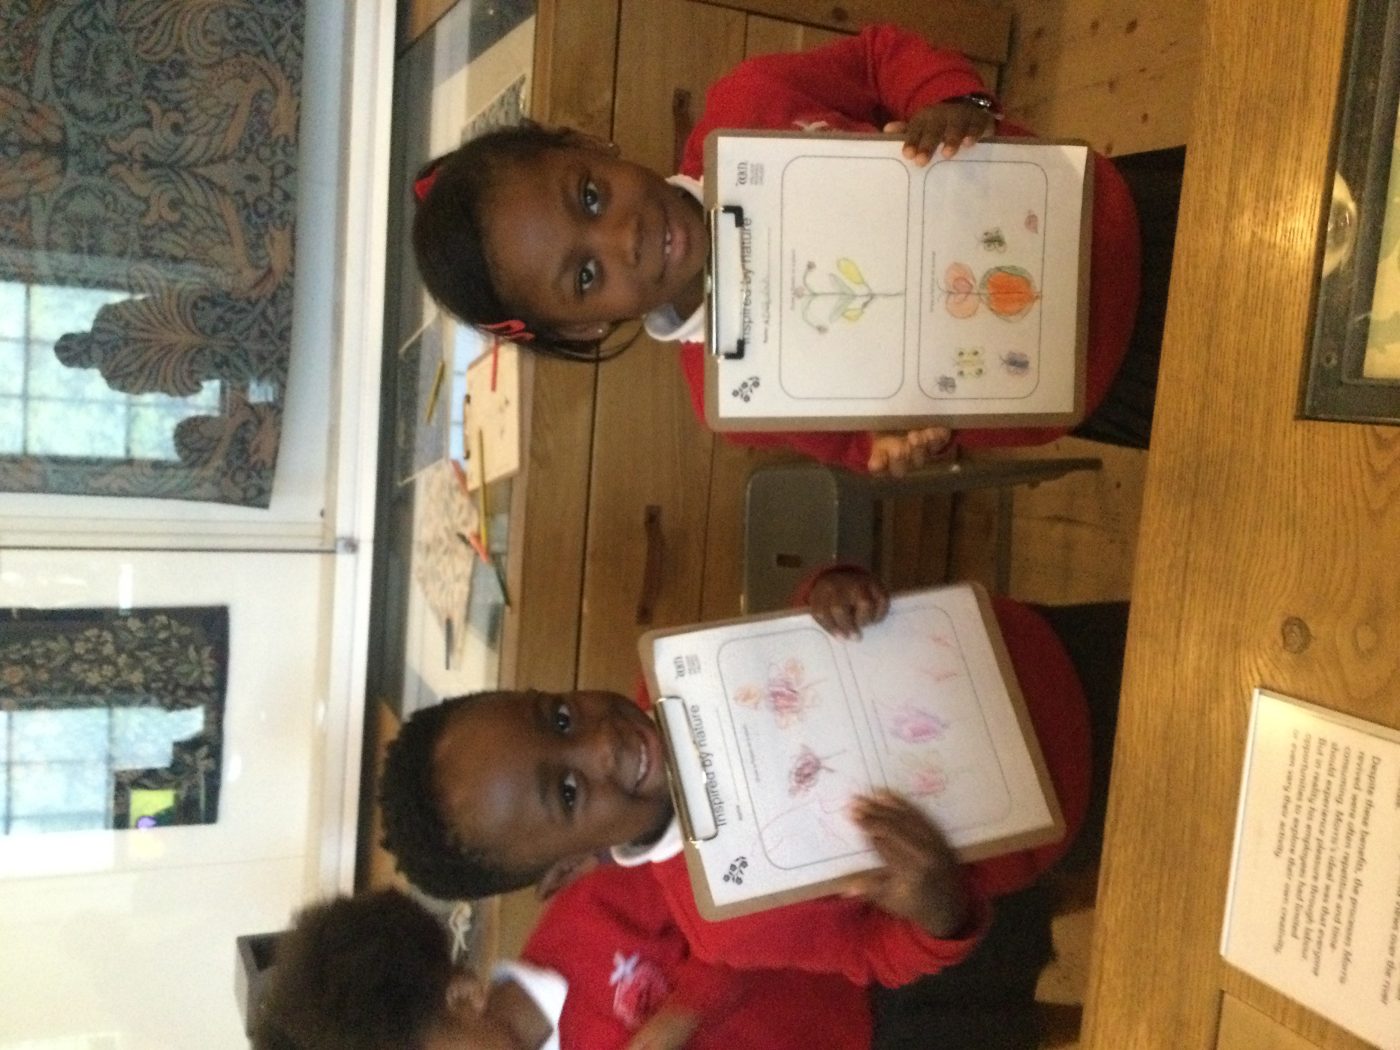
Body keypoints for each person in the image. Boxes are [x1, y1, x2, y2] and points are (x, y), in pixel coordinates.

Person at [410, 24, 1144, 475]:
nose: (622, 237)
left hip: (1103, 210)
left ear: (589, 144)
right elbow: (861, 444)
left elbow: (878, 60)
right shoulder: (732, 397)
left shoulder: (749, 102)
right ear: (585, 326)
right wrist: (896, 445)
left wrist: (949, 103)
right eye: (585, 275)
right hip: (1093, 375)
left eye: (591, 196)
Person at [378, 564, 1097, 994]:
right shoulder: (721, 922)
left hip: (1031, 649)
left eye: (559, 717)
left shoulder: (680, 671)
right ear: (569, 867)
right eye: (567, 794)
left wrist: (832, 591)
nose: (602, 743)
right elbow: (872, 954)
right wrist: (935, 908)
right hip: (1068, 806)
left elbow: (812, 634)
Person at [252, 865, 873, 1050]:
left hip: (870, 988)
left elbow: (741, 899)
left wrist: (682, 1014)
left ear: (462, 997)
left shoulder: (591, 916)